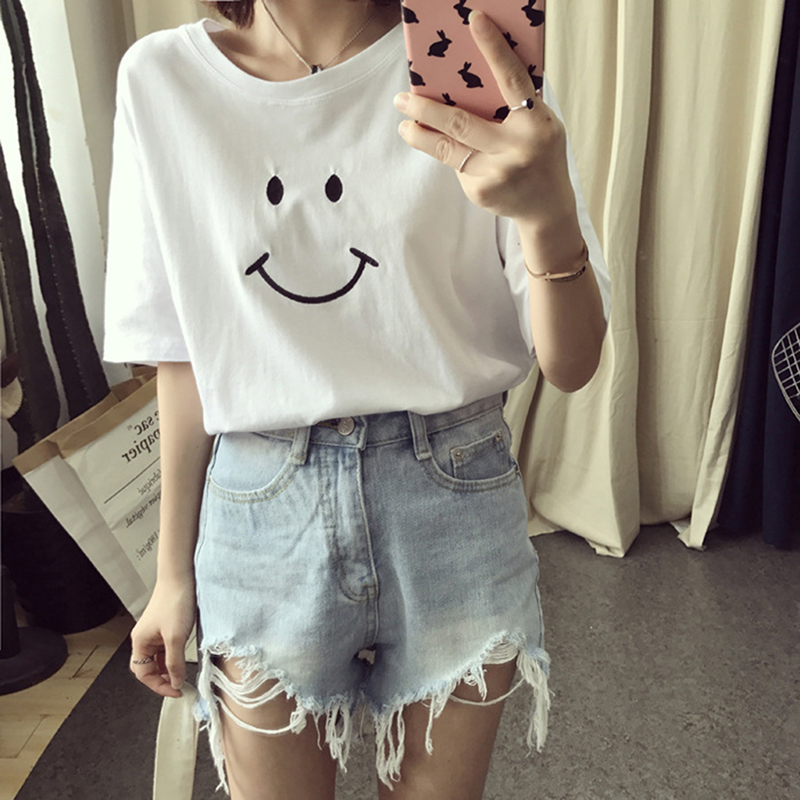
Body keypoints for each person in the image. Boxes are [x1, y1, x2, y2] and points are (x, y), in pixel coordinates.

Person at [103, 0, 611, 798]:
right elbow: (185, 351)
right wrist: (171, 576)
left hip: (453, 496)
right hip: (261, 514)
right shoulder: (163, 80)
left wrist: (549, 216)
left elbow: (573, 362)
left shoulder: (468, 59)